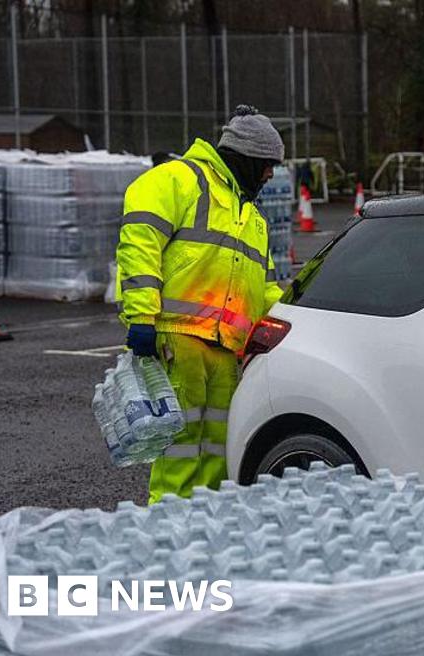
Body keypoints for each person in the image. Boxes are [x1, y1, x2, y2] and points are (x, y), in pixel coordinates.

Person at [116, 104, 285, 503]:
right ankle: (167, 546)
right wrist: (141, 315)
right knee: (178, 453)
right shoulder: (178, 180)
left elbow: (264, 289)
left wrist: (297, 319)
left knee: (216, 456)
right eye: (266, 164)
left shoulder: (252, 218)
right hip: (180, 341)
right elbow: (139, 242)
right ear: (245, 159)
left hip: (226, 352)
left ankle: (201, 542)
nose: (270, 174)